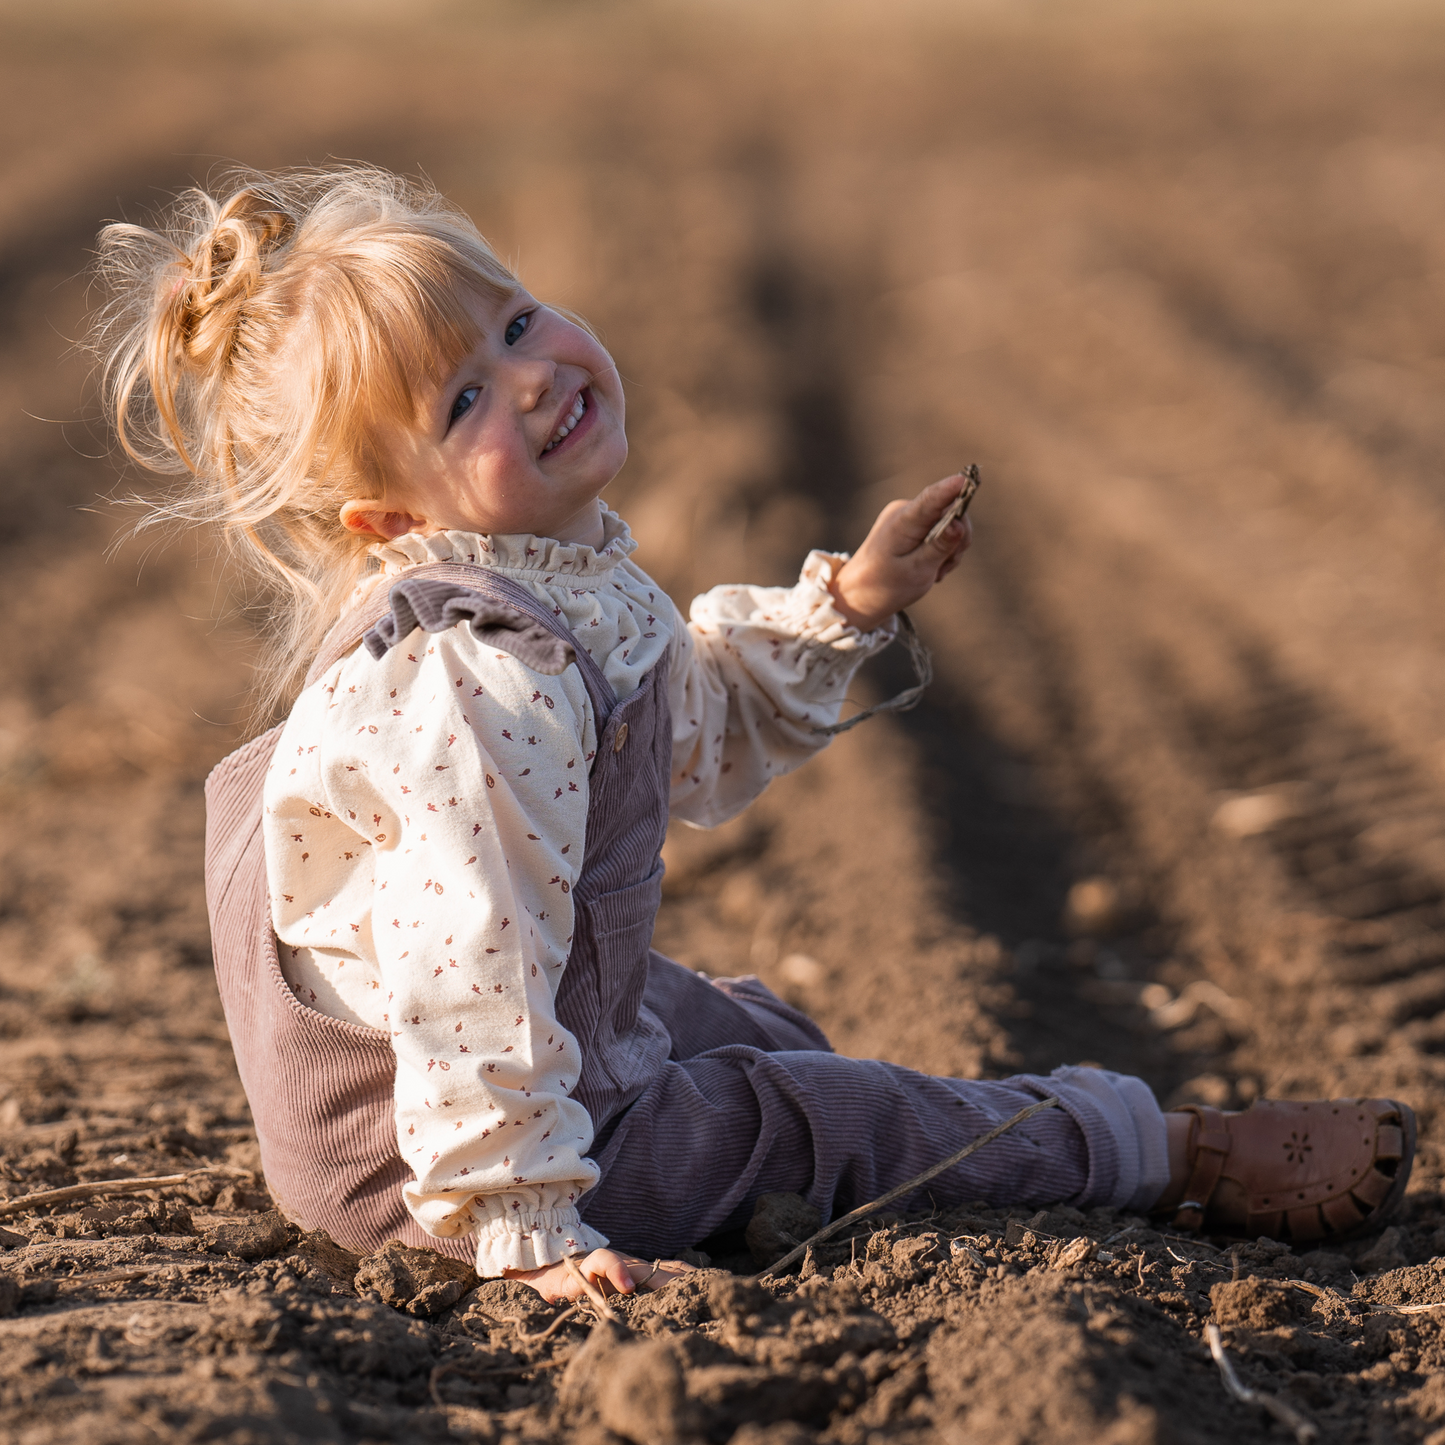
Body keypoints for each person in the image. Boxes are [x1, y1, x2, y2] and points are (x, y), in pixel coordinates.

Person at [91, 166, 1415, 1307]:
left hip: (476, 1076)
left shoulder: (540, 589)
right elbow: (470, 958)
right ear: (387, 521)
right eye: (461, 404)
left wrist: (843, 609)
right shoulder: (471, 679)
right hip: (430, 1166)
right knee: (818, 1114)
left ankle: (785, 1123)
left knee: (736, 1022)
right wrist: (524, 1229)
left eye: (516, 322)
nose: (536, 377)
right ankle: (1151, 1150)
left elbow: (677, 730)